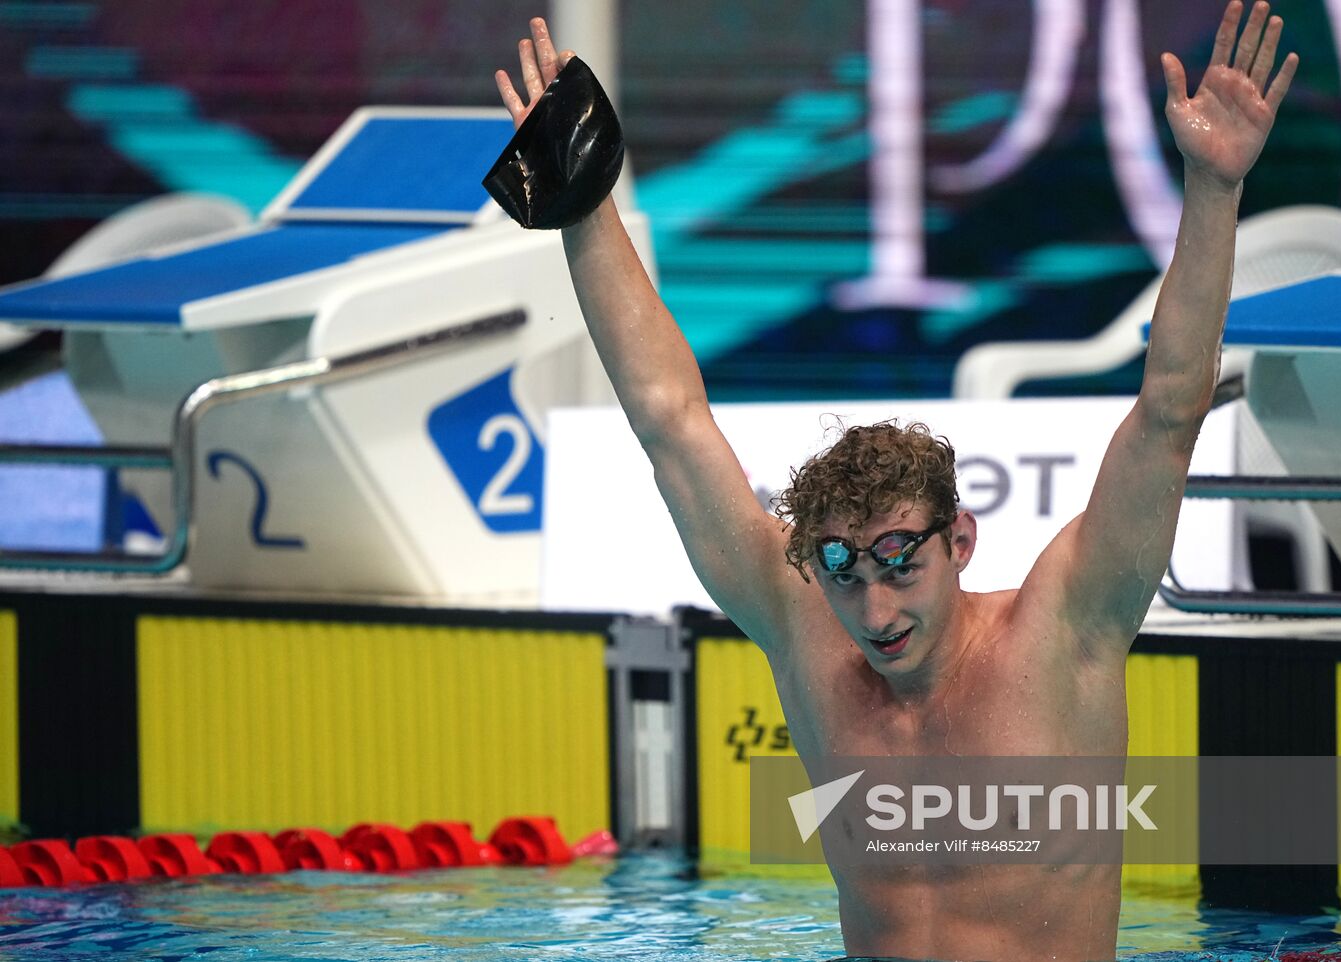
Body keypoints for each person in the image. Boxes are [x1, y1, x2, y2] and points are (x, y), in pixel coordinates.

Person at [495, 4, 1296, 959]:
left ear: (959, 541)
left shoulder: (1066, 631)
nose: (873, 608)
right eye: (841, 569)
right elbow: (670, 422)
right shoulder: (806, 638)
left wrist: (1212, 187)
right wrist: (584, 213)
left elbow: (1169, 410)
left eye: (897, 562)